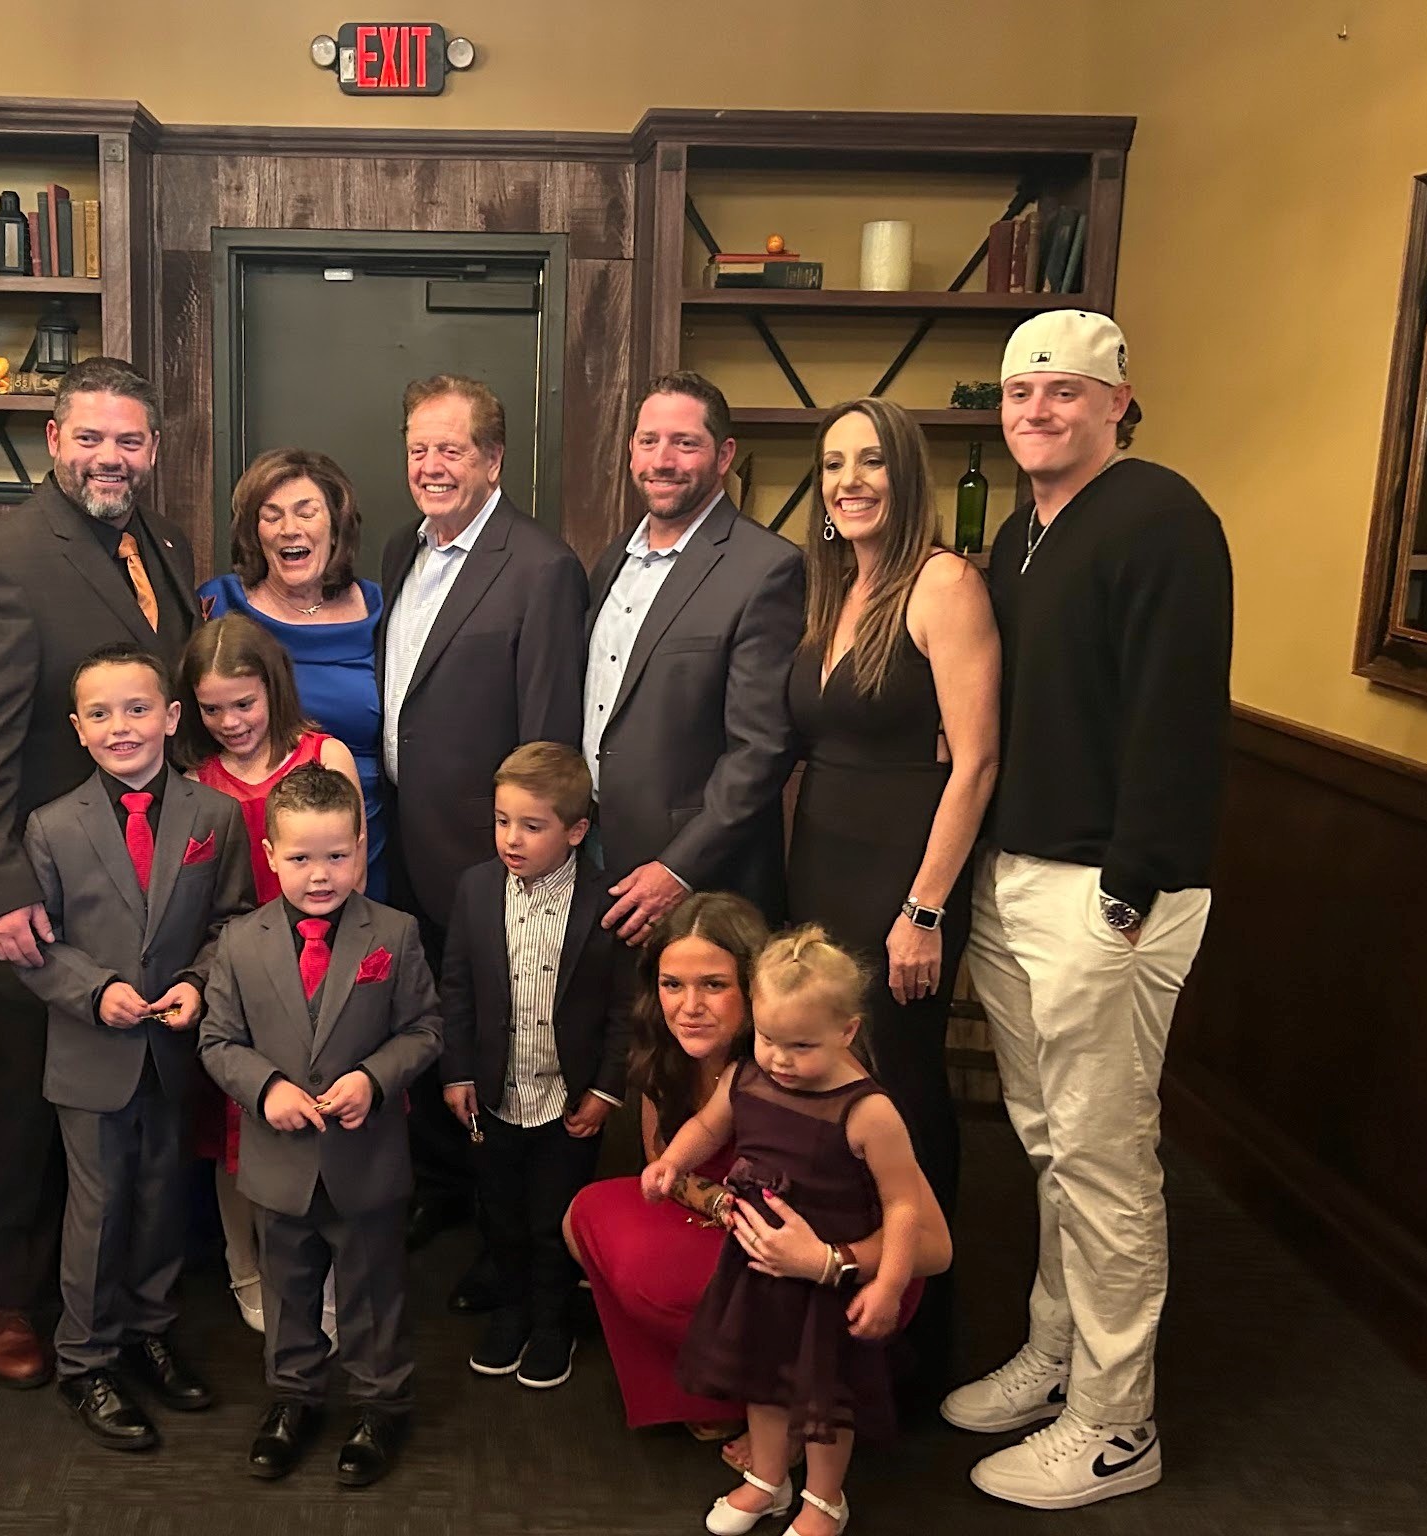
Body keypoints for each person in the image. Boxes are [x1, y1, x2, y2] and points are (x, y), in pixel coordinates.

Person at [948, 311, 1231, 1511]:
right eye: (1019, 393)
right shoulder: (1023, 531)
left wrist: (1129, 886)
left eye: (1063, 391)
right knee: (1049, 1143)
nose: (1037, 411)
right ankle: (1057, 1357)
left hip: (1107, 893)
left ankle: (1116, 1426)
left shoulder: (1161, 516)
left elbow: (1178, 712)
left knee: (1104, 1161)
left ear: (1117, 402)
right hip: (1018, 875)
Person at [0, 357, 200, 1387]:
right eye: (90, 438)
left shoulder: (163, 545)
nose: (109, 457)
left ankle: (117, 1283)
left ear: (152, 449)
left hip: (149, 873)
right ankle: (3, 1291)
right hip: (42, 885)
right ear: (54, 441)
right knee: (27, 1089)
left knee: (129, 1085)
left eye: (128, 440)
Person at [565, 895, 949, 1461]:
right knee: (588, 1217)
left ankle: (788, 1402)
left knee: (682, 1281)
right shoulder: (666, 1050)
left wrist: (823, 1259)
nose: (689, 1007)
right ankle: (720, 1393)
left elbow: (933, 1246)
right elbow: (665, 1161)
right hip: (744, 1231)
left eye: (714, 985)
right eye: (672, 984)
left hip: (838, 1256)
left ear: (756, 988)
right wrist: (725, 1206)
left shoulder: (821, 1072)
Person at [791, 398, 1000, 1389]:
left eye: (870, 461)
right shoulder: (834, 586)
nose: (849, 481)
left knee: (902, 1096)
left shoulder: (943, 583)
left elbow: (976, 761)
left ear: (906, 473)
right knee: (833, 1092)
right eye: (834, 464)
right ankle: (842, 1323)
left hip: (899, 882)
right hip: (819, 865)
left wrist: (923, 910)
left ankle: (914, 1352)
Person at [14, 643, 255, 1452]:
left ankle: (149, 1329)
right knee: (99, 1206)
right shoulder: (51, 827)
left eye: (138, 708)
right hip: (92, 1052)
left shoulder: (212, 817)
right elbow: (37, 945)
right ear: (77, 729)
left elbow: (231, 920)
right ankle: (85, 1359)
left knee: (160, 1197)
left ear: (172, 717)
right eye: (102, 714)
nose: (122, 727)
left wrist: (199, 980)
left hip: (175, 1048)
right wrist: (93, 992)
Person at [378, 372, 587, 1262]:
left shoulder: (541, 567)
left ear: (493, 460)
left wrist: (524, 852)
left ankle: (508, 1239)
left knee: (501, 1033)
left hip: (490, 849)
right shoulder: (401, 548)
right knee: (429, 1017)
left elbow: (547, 732)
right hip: (403, 835)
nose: (431, 466)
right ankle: (440, 1184)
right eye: (418, 448)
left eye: (451, 449)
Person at [644, 926, 936, 1536]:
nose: (780, 1059)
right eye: (769, 1039)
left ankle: (825, 1500)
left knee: (826, 1397)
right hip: (756, 1267)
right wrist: (672, 1161)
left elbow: (904, 1207)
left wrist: (886, 1286)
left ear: (847, 1032)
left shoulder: (868, 1111)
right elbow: (709, 1127)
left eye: (802, 1045)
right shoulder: (747, 1075)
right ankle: (767, 1479)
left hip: (830, 1285)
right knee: (763, 1377)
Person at [199, 765, 443, 1489]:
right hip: (279, 1160)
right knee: (287, 1289)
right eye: (301, 857)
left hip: (364, 1158)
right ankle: (294, 1396)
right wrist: (266, 1087)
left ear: (361, 848)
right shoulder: (239, 942)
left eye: (337, 855)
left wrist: (374, 1077)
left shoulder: (394, 934)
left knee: (373, 1289)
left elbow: (424, 1030)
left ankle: (379, 1403)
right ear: (270, 854)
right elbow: (218, 1041)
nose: (319, 874)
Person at [176, 612, 366, 1337]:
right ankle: (243, 1262)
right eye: (211, 708)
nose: (230, 722)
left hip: (320, 967)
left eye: (244, 703)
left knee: (324, 1121)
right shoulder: (196, 780)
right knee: (236, 1128)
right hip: (238, 976)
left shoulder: (325, 756)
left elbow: (354, 874)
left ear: (273, 689)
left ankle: (325, 1268)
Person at [438, 742, 630, 1392]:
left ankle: (552, 1324)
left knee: (554, 1222)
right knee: (502, 1214)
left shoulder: (606, 902)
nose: (511, 839)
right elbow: (457, 988)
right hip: (495, 1093)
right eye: (502, 821)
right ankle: (512, 1312)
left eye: (531, 825)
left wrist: (606, 1089)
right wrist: (457, 1072)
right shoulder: (474, 888)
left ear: (576, 831)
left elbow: (623, 1009)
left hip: (568, 1101)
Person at [588, 371, 805, 939]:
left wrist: (678, 869)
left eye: (685, 443)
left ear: (724, 455)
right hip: (597, 851)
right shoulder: (613, 560)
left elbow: (761, 750)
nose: (662, 460)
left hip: (698, 880)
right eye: (649, 441)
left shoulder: (766, 568)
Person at [200, 448, 386, 896]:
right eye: (271, 516)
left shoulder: (380, 608)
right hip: (249, 839)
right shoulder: (218, 605)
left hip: (360, 838)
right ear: (254, 532)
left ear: (336, 524)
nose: (289, 529)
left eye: (306, 512)